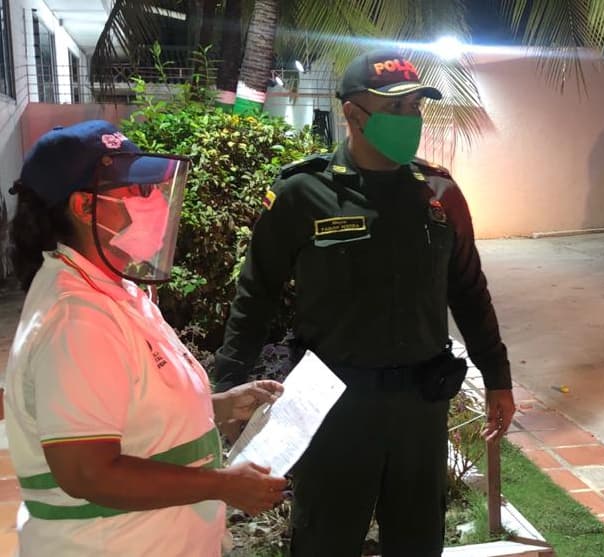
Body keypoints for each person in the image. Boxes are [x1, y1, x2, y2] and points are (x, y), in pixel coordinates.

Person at [213, 49, 516, 556]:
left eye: (417, 108)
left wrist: (498, 377)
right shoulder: (301, 192)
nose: (411, 120)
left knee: (418, 542)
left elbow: (467, 289)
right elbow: (256, 293)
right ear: (353, 115)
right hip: (332, 407)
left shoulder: (439, 192)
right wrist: (228, 385)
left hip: (420, 405)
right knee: (325, 540)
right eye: (397, 110)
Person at [1, 120, 287, 556]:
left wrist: (219, 406)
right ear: (82, 206)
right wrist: (223, 485)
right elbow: (89, 472)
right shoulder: (77, 320)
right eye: (135, 190)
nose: (153, 201)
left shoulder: (115, 291)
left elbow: (120, 413)